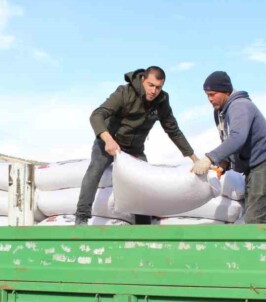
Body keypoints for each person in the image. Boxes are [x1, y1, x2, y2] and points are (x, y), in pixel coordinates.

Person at [75, 66, 198, 225]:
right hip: (109, 141)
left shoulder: (162, 101)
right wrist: (108, 140)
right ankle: (82, 217)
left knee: (143, 182)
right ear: (142, 80)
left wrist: (195, 159)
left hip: (134, 149)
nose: (154, 91)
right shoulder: (124, 93)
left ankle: (143, 225)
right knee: (95, 169)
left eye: (158, 87)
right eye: (151, 85)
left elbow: (173, 130)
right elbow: (96, 115)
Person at [192, 71, 266, 224]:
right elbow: (228, 139)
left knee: (254, 220)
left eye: (213, 94)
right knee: (252, 217)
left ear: (226, 91)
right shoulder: (221, 112)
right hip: (254, 168)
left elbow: (238, 137)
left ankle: (258, 247)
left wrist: (210, 158)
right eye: (207, 95)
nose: (209, 99)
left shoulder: (240, 106)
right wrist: (224, 163)